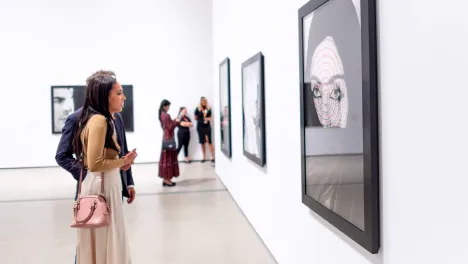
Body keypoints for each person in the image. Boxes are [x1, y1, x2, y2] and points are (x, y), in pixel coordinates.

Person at [73, 73, 137, 264]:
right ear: (104, 96)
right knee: (106, 241)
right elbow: (95, 164)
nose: (123, 97)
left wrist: (122, 162)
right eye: (118, 93)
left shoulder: (104, 119)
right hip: (103, 187)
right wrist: (122, 161)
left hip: (108, 185)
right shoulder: (100, 121)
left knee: (107, 239)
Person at [55, 70, 136, 202]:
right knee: (94, 220)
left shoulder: (117, 116)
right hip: (92, 188)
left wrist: (129, 182)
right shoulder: (76, 118)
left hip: (115, 184)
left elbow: (122, 151)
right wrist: (86, 174)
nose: (122, 97)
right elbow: (62, 155)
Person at [158, 99, 180, 186]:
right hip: (169, 139)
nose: (168, 108)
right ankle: (167, 180)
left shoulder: (162, 115)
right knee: (168, 160)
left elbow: (168, 125)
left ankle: (166, 179)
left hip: (165, 138)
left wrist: (174, 121)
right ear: (165, 106)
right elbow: (170, 127)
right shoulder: (166, 115)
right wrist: (176, 122)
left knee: (166, 159)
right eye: (168, 106)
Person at [194, 96, 215, 162]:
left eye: (205, 100)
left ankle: (212, 156)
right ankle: (204, 157)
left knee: (209, 141)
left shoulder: (208, 108)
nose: (204, 101)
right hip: (200, 127)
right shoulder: (198, 109)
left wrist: (207, 119)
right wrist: (201, 119)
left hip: (207, 126)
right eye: (203, 100)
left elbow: (210, 118)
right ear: (201, 101)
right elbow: (195, 118)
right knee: (202, 142)